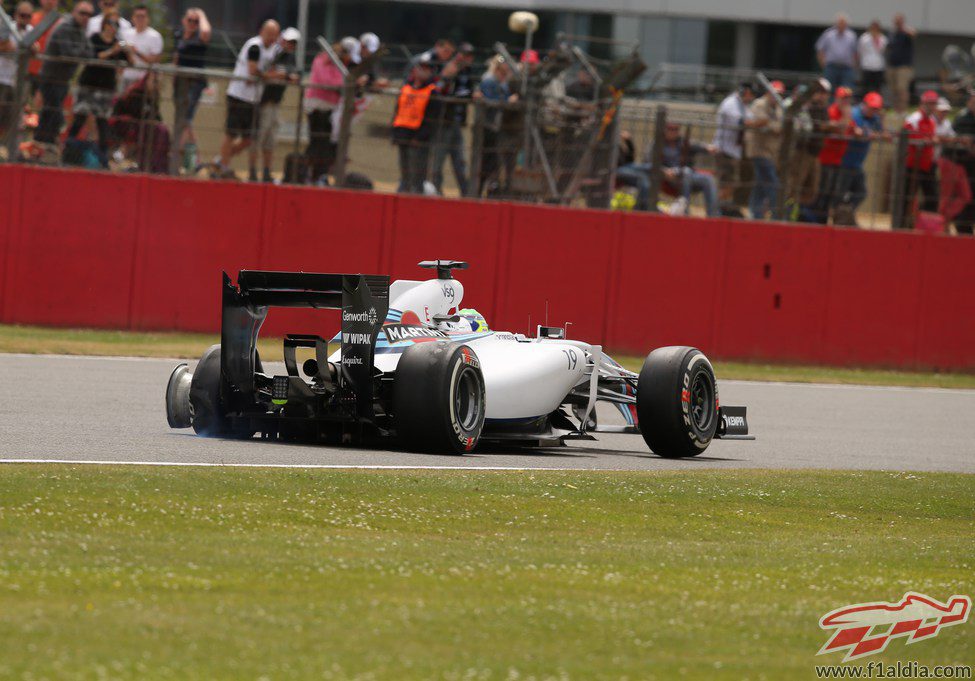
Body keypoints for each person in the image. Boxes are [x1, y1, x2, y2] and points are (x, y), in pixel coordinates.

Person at [210, 20, 280, 178]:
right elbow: (253, 70)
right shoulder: (254, 46)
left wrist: (265, 75)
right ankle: (224, 168)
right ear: (262, 31)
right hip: (238, 95)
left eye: (274, 35)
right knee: (231, 134)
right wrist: (270, 76)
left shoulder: (273, 51)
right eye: (269, 34)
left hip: (254, 99)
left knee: (249, 139)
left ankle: (220, 160)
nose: (271, 38)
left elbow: (264, 72)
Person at [65, 9, 133, 163]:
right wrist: (112, 51)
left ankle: (103, 159)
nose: (113, 27)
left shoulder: (118, 43)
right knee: (79, 119)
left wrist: (128, 51)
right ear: (104, 24)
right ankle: (67, 153)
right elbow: (93, 56)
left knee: (102, 123)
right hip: (89, 84)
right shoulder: (95, 38)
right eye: (111, 23)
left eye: (116, 24)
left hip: (106, 87)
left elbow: (131, 63)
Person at [618, 122, 720, 216]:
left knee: (708, 179)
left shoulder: (683, 142)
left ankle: (714, 216)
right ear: (665, 130)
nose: (673, 132)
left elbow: (699, 146)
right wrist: (664, 170)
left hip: (684, 174)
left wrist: (708, 147)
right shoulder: (657, 144)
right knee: (685, 175)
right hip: (667, 177)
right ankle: (685, 211)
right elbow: (648, 163)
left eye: (676, 129)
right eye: (670, 129)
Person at [35, 1, 93, 146]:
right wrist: (80, 52)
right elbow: (68, 53)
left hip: (64, 79)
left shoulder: (81, 30)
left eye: (89, 14)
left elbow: (90, 53)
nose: (85, 17)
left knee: (52, 112)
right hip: (51, 77)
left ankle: (46, 144)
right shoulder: (64, 27)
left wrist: (78, 52)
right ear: (74, 12)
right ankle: (42, 143)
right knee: (53, 112)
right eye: (82, 13)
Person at [249, 27, 300, 183]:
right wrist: (282, 75)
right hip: (261, 102)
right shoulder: (272, 53)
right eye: (288, 41)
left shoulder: (290, 58)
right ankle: (252, 173)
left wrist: (283, 75)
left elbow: (296, 75)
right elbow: (262, 72)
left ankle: (266, 172)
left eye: (293, 43)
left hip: (275, 103)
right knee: (257, 139)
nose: (289, 45)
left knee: (270, 141)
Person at [392, 54, 446, 194]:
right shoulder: (406, 88)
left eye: (427, 69)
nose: (423, 71)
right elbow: (397, 111)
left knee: (417, 175)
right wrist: (395, 133)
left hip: (419, 139)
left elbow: (433, 118)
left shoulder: (432, 91)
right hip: (403, 134)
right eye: (421, 68)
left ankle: (415, 198)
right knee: (405, 173)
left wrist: (422, 137)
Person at [834, 92, 886, 226]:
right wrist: (871, 134)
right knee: (839, 194)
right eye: (871, 107)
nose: (873, 111)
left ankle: (845, 216)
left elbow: (884, 134)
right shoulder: (855, 114)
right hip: (844, 161)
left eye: (876, 108)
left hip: (857, 163)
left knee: (860, 193)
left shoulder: (875, 118)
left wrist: (882, 121)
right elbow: (858, 132)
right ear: (864, 104)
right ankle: (841, 219)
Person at [429, 42, 474, 196]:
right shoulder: (448, 68)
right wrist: (446, 76)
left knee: (460, 160)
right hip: (444, 121)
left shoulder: (467, 72)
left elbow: (469, 92)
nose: (467, 58)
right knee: (438, 160)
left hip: (457, 122)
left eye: (469, 56)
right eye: (464, 55)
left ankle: (466, 193)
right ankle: (435, 191)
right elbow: (438, 90)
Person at [303, 40, 350, 183]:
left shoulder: (339, 66)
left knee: (326, 144)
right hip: (317, 107)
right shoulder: (320, 61)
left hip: (330, 108)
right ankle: (307, 173)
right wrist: (346, 84)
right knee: (317, 142)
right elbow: (326, 81)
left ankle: (319, 175)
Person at [713, 83, 764, 209]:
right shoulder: (730, 103)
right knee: (729, 183)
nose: (751, 98)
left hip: (735, 150)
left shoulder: (743, 105)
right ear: (744, 92)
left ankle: (724, 207)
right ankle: (714, 206)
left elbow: (751, 118)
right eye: (750, 94)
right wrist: (760, 123)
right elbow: (742, 123)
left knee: (735, 182)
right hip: (724, 148)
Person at [172, 7, 211, 172]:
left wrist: (201, 14)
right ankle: (194, 159)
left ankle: (179, 158)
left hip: (194, 83)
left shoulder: (199, 37)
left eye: (196, 21)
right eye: (190, 20)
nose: (193, 23)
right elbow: (177, 57)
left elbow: (206, 32)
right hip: (180, 82)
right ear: (183, 20)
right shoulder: (179, 34)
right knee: (184, 120)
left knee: (185, 119)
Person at [786, 79, 831, 216]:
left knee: (812, 190)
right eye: (819, 92)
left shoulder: (822, 108)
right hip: (802, 151)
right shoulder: (805, 107)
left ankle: (795, 212)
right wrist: (829, 126)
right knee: (793, 186)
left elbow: (826, 127)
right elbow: (814, 126)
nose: (822, 95)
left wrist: (828, 126)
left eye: (825, 93)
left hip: (815, 153)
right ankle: (783, 212)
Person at [811, 87, 855, 224]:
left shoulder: (847, 114)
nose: (846, 102)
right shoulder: (832, 111)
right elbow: (842, 130)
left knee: (832, 193)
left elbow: (851, 129)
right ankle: (816, 220)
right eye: (843, 98)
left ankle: (823, 220)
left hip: (837, 160)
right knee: (822, 192)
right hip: (825, 159)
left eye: (848, 99)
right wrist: (846, 118)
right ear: (837, 99)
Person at [477, 55, 518, 196]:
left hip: (497, 129)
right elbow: (490, 101)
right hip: (487, 128)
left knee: (494, 163)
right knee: (484, 162)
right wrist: (508, 101)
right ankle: (477, 190)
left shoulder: (503, 84)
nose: (504, 73)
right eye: (502, 70)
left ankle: (491, 190)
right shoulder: (489, 81)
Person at [900, 90, 940, 228]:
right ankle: (901, 226)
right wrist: (928, 141)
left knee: (932, 197)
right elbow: (908, 138)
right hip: (912, 165)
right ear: (922, 103)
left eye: (934, 104)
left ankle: (924, 225)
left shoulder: (932, 121)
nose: (932, 107)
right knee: (906, 197)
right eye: (929, 103)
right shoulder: (913, 119)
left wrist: (930, 141)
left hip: (926, 165)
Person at [747, 81, 785, 220]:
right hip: (759, 151)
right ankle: (777, 216)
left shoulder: (780, 107)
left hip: (771, 152)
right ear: (768, 92)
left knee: (761, 185)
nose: (776, 96)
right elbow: (760, 122)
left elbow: (779, 127)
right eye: (774, 93)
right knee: (772, 184)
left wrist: (769, 124)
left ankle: (754, 214)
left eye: (779, 94)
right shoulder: (759, 104)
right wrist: (770, 125)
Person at [934, 98, 971, 230]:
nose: (943, 113)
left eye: (945, 111)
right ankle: (941, 225)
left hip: (958, 162)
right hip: (946, 161)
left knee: (965, 196)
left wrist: (958, 140)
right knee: (945, 197)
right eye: (941, 111)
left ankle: (945, 219)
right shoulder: (934, 122)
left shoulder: (948, 123)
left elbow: (954, 138)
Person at [0, 2, 35, 137]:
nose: (25, 19)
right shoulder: (8, 26)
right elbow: (4, 45)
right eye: (22, 15)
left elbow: (35, 48)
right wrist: (16, 49)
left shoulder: (30, 31)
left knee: (10, 115)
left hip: (16, 80)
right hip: (1, 76)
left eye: (28, 16)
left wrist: (29, 48)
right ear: (16, 15)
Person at [119, 4, 162, 92]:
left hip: (143, 81)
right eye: (137, 16)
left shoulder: (155, 36)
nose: (140, 19)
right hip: (126, 77)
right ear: (132, 18)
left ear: (148, 18)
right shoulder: (126, 33)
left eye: (143, 16)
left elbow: (154, 60)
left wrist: (136, 51)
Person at [950, 90, 975, 235]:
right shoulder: (961, 119)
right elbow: (956, 138)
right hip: (962, 166)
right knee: (965, 197)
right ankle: (959, 225)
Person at [816, 13, 858, 91]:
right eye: (840, 23)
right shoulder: (829, 35)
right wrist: (823, 64)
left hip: (846, 68)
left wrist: (854, 65)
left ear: (846, 24)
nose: (841, 25)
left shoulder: (851, 36)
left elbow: (855, 53)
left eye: (843, 23)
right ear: (836, 24)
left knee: (846, 90)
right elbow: (820, 50)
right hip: (831, 67)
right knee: (828, 90)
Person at [28, 0, 59, 102]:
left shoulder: (60, 23)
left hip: (50, 73)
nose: (50, 1)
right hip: (30, 70)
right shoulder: (32, 18)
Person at [887, 13, 916, 114]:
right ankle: (896, 111)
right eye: (896, 21)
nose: (897, 23)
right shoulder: (892, 33)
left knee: (902, 90)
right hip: (892, 66)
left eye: (899, 21)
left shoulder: (906, 32)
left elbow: (913, 33)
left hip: (904, 67)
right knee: (894, 91)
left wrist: (904, 29)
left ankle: (903, 111)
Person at [857, 21, 887, 96]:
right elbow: (860, 51)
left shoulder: (883, 38)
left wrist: (876, 39)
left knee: (877, 89)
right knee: (865, 89)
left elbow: (881, 50)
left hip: (878, 67)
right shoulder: (864, 38)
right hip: (867, 66)